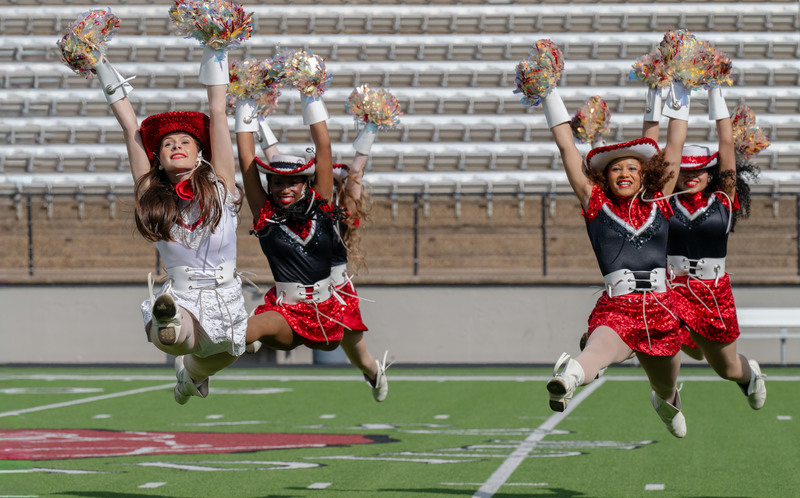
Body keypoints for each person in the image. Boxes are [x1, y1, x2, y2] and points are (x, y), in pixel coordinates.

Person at [539, 76, 689, 437]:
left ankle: (666, 400)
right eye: (616, 168)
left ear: (645, 175)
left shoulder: (659, 201)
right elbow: (566, 148)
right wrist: (546, 90)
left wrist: (685, 85)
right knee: (596, 352)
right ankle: (569, 377)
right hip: (618, 307)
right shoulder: (596, 204)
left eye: (632, 168)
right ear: (605, 175)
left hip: (661, 307)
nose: (624, 173)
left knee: (666, 382)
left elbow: (675, 142)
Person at [99, 42, 247, 404]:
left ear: (200, 153)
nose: (176, 146)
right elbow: (130, 127)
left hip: (225, 292)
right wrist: (98, 62)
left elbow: (217, 109)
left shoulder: (221, 184)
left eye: (185, 141)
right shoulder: (152, 194)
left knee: (232, 349)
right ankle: (168, 319)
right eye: (167, 144)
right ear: (159, 159)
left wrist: (216, 46)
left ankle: (190, 376)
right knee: (175, 335)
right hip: (181, 292)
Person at [643, 85, 767, 409]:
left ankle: (748, 376)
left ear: (709, 171)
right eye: (686, 169)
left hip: (714, 293)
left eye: (699, 169)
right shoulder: (665, 202)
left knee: (726, 368)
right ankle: (666, 394)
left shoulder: (723, 199)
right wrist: (655, 97)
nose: (692, 174)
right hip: (674, 288)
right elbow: (656, 153)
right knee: (658, 330)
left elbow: (727, 144)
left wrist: (714, 88)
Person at [235, 92, 346, 353]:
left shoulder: (321, 203)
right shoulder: (265, 213)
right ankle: (194, 361)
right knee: (245, 331)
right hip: (285, 311)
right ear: (269, 184)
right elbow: (245, 159)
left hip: (326, 314)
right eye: (277, 182)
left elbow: (324, 147)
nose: (285, 188)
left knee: (332, 345)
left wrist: (310, 93)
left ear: (306, 184)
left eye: (292, 182)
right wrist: (244, 100)